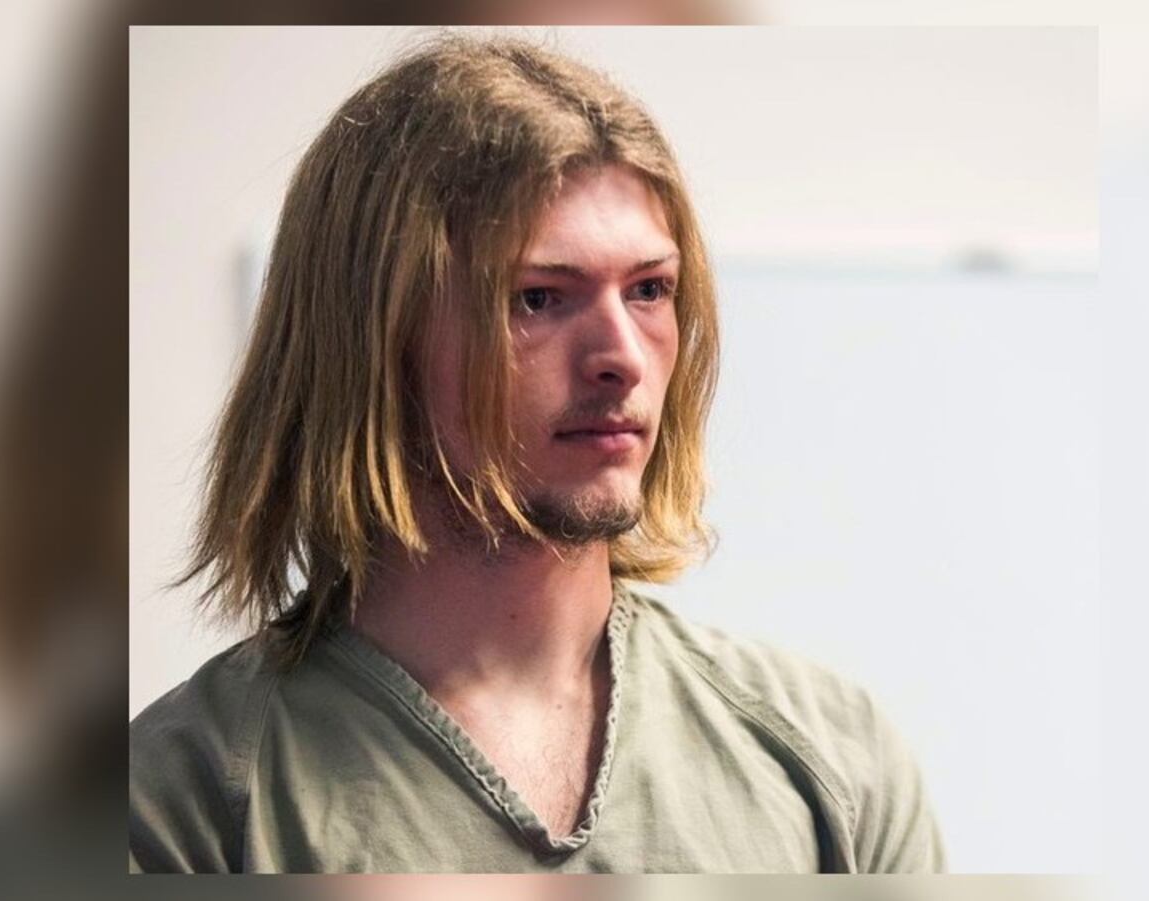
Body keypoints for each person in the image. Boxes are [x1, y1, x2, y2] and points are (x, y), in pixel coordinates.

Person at [130, 34, 944, 874]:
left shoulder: (836, 766)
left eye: (649, 290)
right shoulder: (182, 807)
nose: (621, 355)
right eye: (539, 298)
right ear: (375, 341)